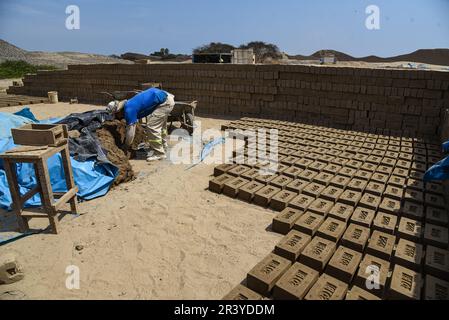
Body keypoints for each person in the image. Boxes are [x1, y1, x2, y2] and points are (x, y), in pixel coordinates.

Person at [107, 87, 175, 162]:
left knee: (152, 127)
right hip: (165, 98)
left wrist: (126, 146)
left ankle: (159, 153)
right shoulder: (129, 103)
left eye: (116, 115)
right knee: (161, 127)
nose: (117, 117)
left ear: (118, 111)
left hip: (164, 103)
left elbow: (131, 133)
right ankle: (164, 146)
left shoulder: (129, 110)